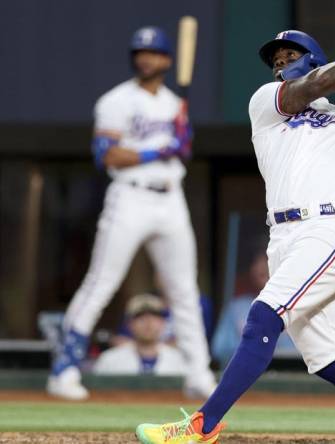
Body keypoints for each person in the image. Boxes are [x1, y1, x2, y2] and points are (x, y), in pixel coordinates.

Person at [135, 27, 335, 444]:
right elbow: (317, 84)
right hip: (282, 237)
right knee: (327, 360)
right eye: (276, 60)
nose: (281, 64)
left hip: (327, 229)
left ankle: (201, 426)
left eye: (291, 55)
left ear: (315, 58)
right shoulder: (266, 103)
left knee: (262, 317)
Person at [46, 26, 216, 401]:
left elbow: (181, 151)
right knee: (101, 283)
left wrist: (182, 142)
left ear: (167, 61)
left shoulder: (174, 104)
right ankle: (64, 370)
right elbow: (106, 154)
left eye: (153, 52)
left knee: (184, 291)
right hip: (130, 196)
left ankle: (198, 373)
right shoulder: (116, 100)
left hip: (171, 198)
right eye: (140, 51)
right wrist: (160, 148)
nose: (145, 57)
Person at [211, 252, 296, 368]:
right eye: (258, 263)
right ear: (252, 270)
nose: (263, 267)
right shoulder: (237, 307)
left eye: (268, 262)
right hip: (245, 373)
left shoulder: (293, 307)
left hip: (285, 375)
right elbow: (219, 349)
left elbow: (303, 352)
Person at [93, 294, 187, 376]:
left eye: (155, 316)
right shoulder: (109, 360)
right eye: (140, 316)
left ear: (163, 323)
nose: (148, 322)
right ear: (129, 323)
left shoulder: (179, 360)